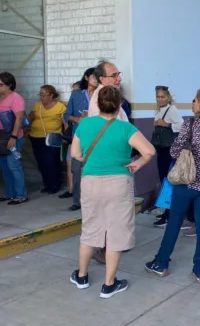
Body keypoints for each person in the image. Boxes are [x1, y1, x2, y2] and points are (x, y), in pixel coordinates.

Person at [69, 86, 155, 299]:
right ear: (119, 107)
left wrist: (93, 161)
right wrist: (138, 164)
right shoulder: (126, 129)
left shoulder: (85, 124)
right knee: (116, 233)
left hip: (90, 182)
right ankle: (109, 285)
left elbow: (75, 154)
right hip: (119, 183)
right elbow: (149, 151)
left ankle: (82, 276)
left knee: (90, 229)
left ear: (97, 105)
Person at [145, 88, 200, 283]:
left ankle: (161, 263)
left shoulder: (191, 124)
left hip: (187, 182)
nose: (192, 103)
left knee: (174, 221)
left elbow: (174, 152)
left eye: (195, 100)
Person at [63, 68, 98, 211]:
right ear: (86, 77)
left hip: (97, 138)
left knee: (95, 170)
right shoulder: (76, 95)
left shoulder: (102, 94)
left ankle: (95, 201)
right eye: (93, 76)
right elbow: (66, 115)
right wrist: (77, 119)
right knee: (76, 170)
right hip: (79, 137)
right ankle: (77, 201)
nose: (96, 79)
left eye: (99, 76)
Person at [151, 85, 183, 228]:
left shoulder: (172, 110)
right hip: (161, 149)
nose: (160, 99)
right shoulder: (159, 110)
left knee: (168, 180)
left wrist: (167, 124)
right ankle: (167, 211)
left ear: (168, 98)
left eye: (162, 97)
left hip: (168, 150)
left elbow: (181, 125)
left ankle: (169, 214)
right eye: (158, 97)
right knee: (164, 179)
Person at [28, 85, 66, 195]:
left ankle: (55, 184)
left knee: (51, 161)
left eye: (44, 95)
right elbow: (30, 119)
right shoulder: (37, 106)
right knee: (40, 162)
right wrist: (24, 131)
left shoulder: (60, 107)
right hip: (36, 137)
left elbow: (65, 123)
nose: (41, 97)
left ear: (51, 96)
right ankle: (47, 185)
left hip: (52, 139)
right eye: (40, 94)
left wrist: (66, 136)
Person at [0, 72, 27, 205]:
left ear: (9, 85)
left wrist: (14, 136)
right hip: (1, 137)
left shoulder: (16, 98)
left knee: (14, 166)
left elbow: (19, 118)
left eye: (0, 85)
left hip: (12, 136)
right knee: (4, 166)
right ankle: (10, 194)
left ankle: (21, 195)